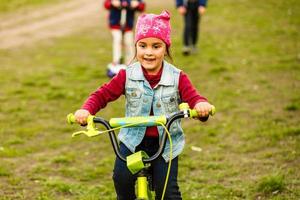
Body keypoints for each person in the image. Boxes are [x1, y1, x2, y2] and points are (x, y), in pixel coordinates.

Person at [74, 10, 213, 200]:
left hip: (166, 145)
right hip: (132, 141)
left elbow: (194, 98)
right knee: (121, 179)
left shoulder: (177, 77)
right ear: (136, 47)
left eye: (156, 46)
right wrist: (86, 110)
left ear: (166, 48)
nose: (148, 52)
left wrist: (201, 107)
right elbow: (102, 94)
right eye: (142, 46)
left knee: (168, 193)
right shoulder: (127, 75)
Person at [104, 0, 145, 77]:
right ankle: (116, 61)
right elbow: (106, 4)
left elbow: (142, 6)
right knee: (117, 40)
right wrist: (112, 3)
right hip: (115, 24)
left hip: (128, 25)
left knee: (129, 43)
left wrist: (137, 4)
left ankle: (130, 64)